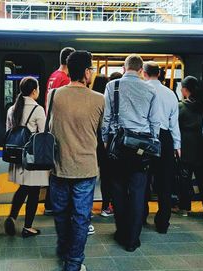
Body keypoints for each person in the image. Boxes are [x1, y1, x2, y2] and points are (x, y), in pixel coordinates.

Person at [48, 50, 104, 271]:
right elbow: (102, 132)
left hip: (58, 166)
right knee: (81, 219)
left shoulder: (54, 95)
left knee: (61, 215)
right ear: (87, 72)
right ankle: (73, 263)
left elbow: (51, 126)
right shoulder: (99, 99)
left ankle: (63, 249)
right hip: (85, 169)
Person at [102, 54, 161, 252]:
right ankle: (133, 239)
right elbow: (155, 122)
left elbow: (107, 118)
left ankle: (121, 232)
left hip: (118, 144)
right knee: (137, 191)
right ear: (140, 69)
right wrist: (153, 142)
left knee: (117, 189)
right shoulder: (150, 89)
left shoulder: (113, 86)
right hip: (141, 146)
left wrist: (105, 141)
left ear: (125, 67)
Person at [4, 76, 48, 238]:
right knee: (34, 191)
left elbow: (8, 131)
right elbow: (43, 134)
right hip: (33, 157)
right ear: (34, 91)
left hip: (17, 156)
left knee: (23, 188)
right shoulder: (38, 110)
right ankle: (28, 227)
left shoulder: (12, 109)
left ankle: (12, 216)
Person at [143, 61, 181, 234]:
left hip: (144, 137)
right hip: (165, 138)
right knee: (164, 182)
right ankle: (162, 223)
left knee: (142, 179)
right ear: (158, 74)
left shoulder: (142, 90)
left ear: (143, 73)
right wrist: (177, 145)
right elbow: (174, 123)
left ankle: (141, 216)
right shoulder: (170, 93)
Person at [176, 76, 203, 220]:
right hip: (202, 147)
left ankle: (184, 208)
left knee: (185, 179)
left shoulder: (181, 106)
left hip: (186, 147)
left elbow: (176, 127)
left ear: (185, 90)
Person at [44, 46, 75, 217]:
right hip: (60, 127)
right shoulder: (63, 79)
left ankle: (51, 202)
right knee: (61, 168)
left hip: (51, 124)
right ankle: (54, 203)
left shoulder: (53, 76)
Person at [92, 74, 114, 217]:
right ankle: (106, 207)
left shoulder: (90, 99)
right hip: (104, 143)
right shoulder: (105, 101)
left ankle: (86, 207)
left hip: (90, 142)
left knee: (89, 177)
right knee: (106, 176)